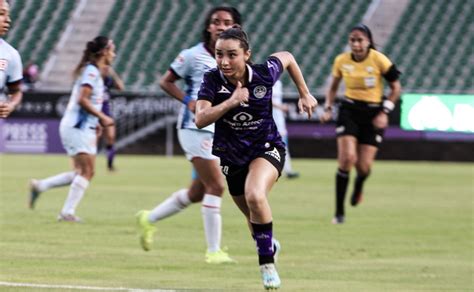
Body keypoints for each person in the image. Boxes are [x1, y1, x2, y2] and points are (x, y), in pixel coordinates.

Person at [195, 25, 317, 290]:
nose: (224, 62)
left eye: (231, 55)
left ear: (246, 54)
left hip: (266, 147)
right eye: (219, 55)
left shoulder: (264, 74)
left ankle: (267, 265)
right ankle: (269, 245)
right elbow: (200, 118)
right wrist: (231, 101)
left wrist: (304, 92)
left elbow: (287, 57)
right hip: (231, 155)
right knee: (252, 216)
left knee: (255, 195)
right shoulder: (212, 80)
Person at [135, 6, 241, 264]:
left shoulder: (235, 59)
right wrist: (189, 102)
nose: (220, 25)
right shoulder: (193, 55)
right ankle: (213, 251)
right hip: (195, 128)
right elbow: (166, 81)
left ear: (236, 28)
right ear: (208, 26)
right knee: (216, 186)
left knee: (197, 192)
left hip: (218, 130)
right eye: (216, 21)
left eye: (227, 22)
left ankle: (148, 218)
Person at [319, 24, 402, 224]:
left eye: (360, 40)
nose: (356, 44)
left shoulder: (379, 60)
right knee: (347, 158)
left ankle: (359, 185)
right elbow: (333, 87)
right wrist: (329, 108)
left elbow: (395, 88)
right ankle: (339, 213)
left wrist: (385, 111)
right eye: (352, 40)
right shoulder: (341, 60)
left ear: (368, 41)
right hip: (349, 111)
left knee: (364, 167)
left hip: (374, 113)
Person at [29, 36, 116, 222]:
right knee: (87, 172)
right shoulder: (92, 72)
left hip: (84, 127)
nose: (114, 54)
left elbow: (89, 101)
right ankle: (66, 213)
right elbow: (82, 99)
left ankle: (41, 186)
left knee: (82, 172)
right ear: (103, 52)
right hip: (77, 127)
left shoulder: (94, 72)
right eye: (112, 50)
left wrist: (97, 122)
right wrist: (103, 117)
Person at [272, 80, 299, 179]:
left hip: (279, 120)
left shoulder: (278, 83)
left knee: (283, 144)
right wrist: (280, 107)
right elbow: (266, 100)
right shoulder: (265, 81)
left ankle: (288, 170)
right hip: (269, 119)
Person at [0, 0, 23, 118]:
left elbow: (16, 91)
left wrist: (11, 105)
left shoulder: (11, 54)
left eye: (8, 15)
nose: (8, 20)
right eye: (1, 13)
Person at [100, 65, 124, 171]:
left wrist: (113, 74)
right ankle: (85, 165)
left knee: (111, 137)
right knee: (92, 140)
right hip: (94, 114)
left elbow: (120, 87)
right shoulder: (94, 81)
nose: (106, 70)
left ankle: (110, 165)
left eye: (107, 68)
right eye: (104, 68)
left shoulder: (109, 80)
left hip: (106, 114)